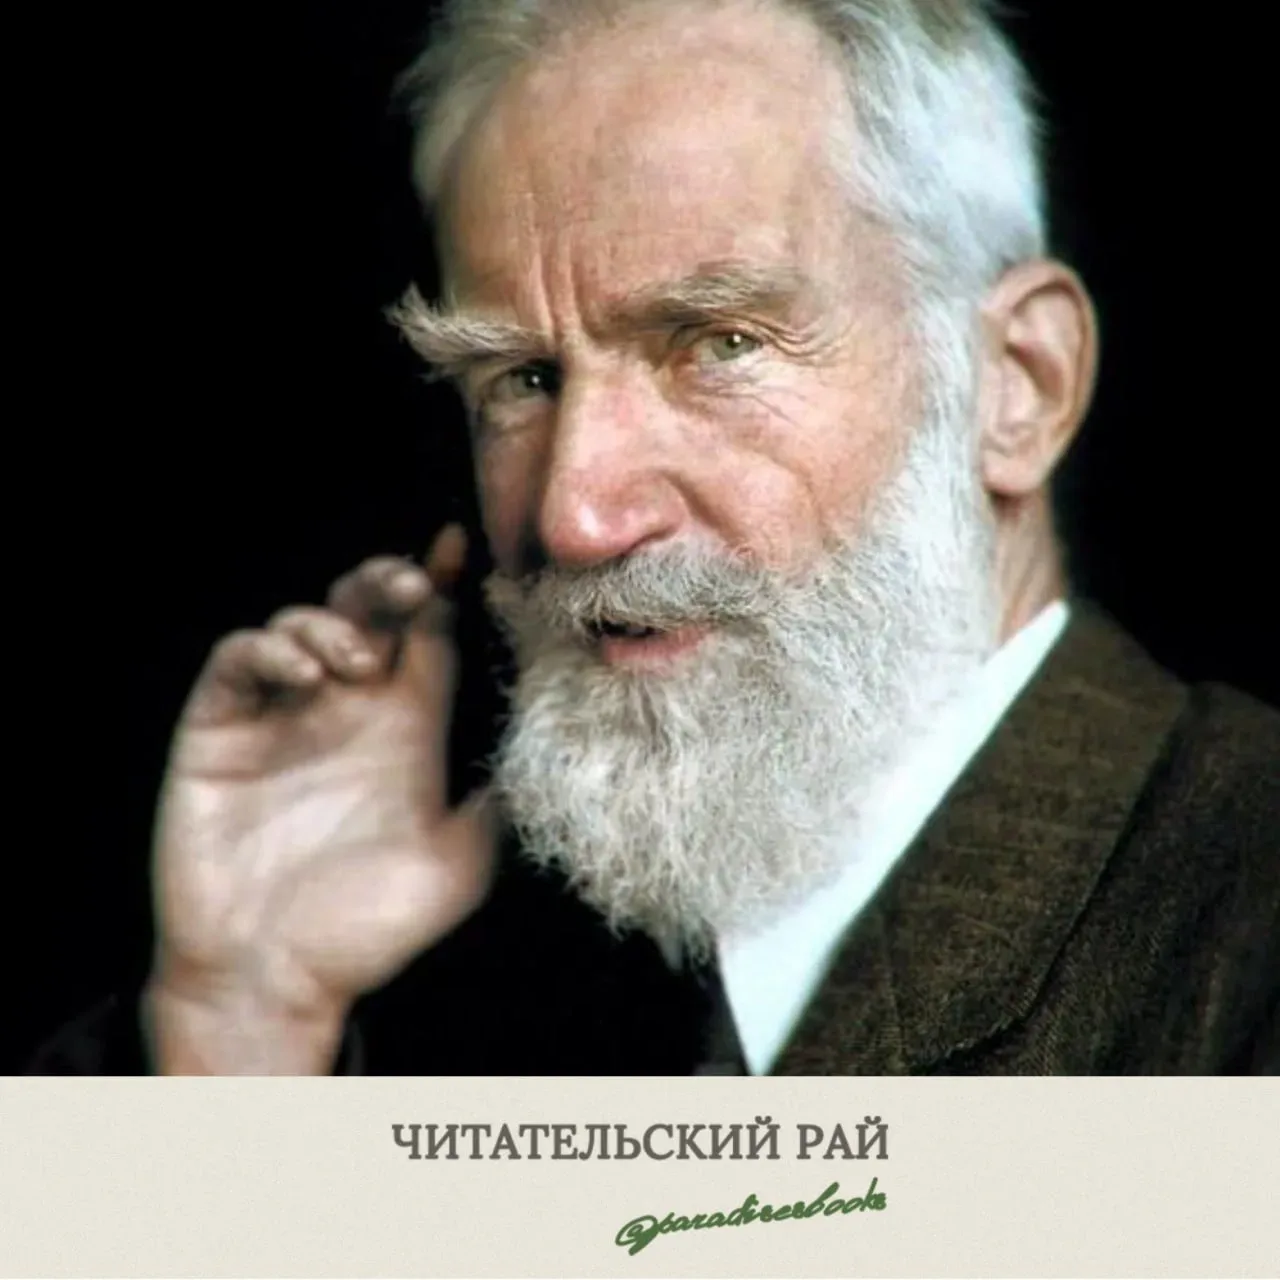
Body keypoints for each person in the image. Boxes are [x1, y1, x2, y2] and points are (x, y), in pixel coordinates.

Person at [34, 0, 1278, 1076]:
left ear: (1016, 385)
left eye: (719, 344)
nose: (572, 515)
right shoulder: (454, 967)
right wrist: (241, 1012)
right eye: (519, 377)